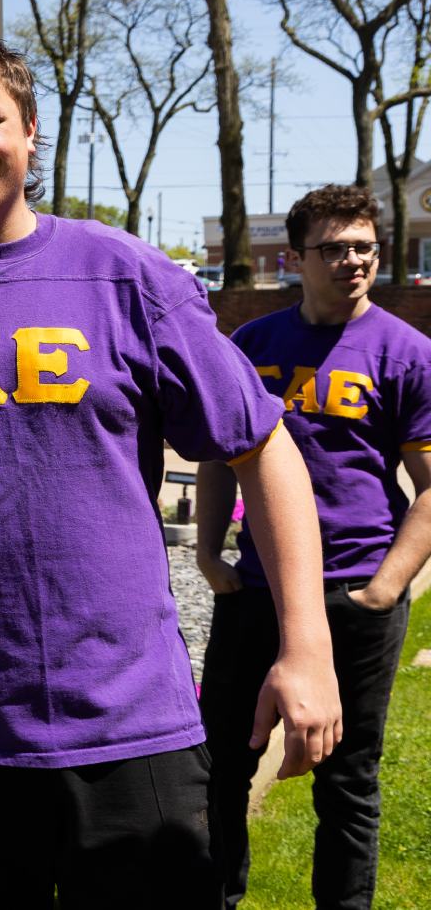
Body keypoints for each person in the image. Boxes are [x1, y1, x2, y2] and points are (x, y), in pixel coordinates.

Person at [0, 26, 340, 907]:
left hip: (130, 727)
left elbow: (265, 449)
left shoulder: (126, 278)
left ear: (30, 130)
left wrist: (306, 644)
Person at [196, 185, 431, 910]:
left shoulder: (406, 352)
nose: (354, 260)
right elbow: (215, 456)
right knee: (222, 764)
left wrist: (385, 588)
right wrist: (210, 555)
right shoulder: (255, 347)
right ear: (296, 258)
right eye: (335, 248)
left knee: (346, 777)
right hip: (258, 587)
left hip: (354, 594)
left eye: (364, 245)